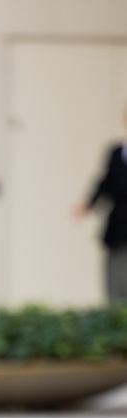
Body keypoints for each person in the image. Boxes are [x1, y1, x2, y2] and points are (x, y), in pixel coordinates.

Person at [72, 104, 127, 303]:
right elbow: (104, 183)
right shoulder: (115, 153)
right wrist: (88, 204)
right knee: (115, 285)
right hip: (118, 225)